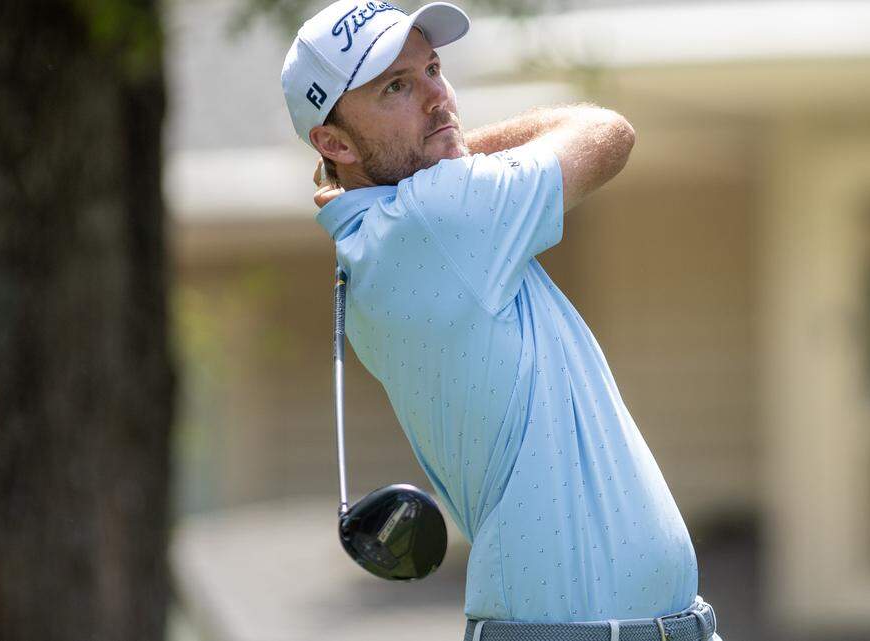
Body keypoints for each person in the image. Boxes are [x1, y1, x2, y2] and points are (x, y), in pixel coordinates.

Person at [281, 3, 722, 640]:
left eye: (433, 68)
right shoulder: (434, 220)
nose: (438, 96)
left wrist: (435, 155)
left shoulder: (392, 234)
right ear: (334, 142)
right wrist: (450, 158)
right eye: (397, 88)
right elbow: (604, 130)